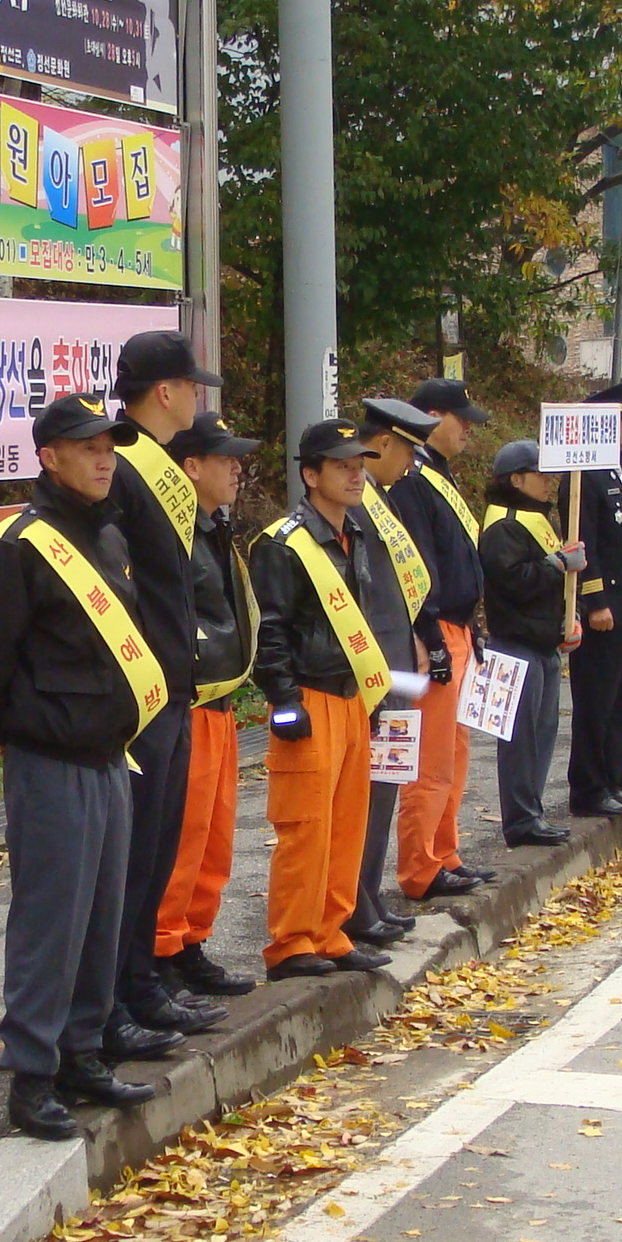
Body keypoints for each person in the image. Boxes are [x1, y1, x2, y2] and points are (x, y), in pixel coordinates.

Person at [0, 394, 180, 1142]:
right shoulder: (15, 547)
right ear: (49, 457)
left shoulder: (105, 536)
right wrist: (24, 726)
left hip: (110, 756)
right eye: (88, 448)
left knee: (102, 915)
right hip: (51, 760)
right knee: (51, 919)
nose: (105, 459)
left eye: (110, 447)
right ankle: (33, 1074)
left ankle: (82, 1052)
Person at [104, 331, 230, 1040]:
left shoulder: (154, 463)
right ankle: (118, 998)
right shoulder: (124, 466)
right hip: (143, 688)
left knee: (157, 847)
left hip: (174, 683)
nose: (197, 398)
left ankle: (142, 984)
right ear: (164, 391)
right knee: (133, 854)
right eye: (191, 386)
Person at [250, 421, 394, 981]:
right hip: (310, 694)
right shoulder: (284, 544)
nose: (356, 475)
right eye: (342, 466)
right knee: (305, 824)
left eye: (359, 465)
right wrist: (285, 702)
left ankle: (332, 932)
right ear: (310, 475)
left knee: (347, 823)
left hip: (350, 694)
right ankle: (291, 943)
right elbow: (271, 631)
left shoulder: (353, 533)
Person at [153, 412, 261, 1003]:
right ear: (190, 467)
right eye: (225, 459)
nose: (237, 470)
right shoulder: (172, 531)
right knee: (183, 836)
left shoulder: (215, 527)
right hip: (189, 703)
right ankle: (161, 953)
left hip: (221, 701)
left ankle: (192, 941)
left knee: (214, 838)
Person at [389, 379, 497, 902]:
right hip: (434, 629)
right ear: (433, 417)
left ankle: (443, 851)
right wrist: (428, 632)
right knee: (430, 757)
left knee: (454, 751)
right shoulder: (412, 481)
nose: (468, 431)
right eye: (462, 420)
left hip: (459, 627)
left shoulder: (437, 475)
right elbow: (417, 564)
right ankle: (420, 865)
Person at [348, 398, 443, 947]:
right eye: (407, 450)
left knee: (386, 783)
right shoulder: (359, 503)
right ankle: (357, 902)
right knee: (370, 788)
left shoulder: (380, 498)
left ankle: (369, 895)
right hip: (374, 668)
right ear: (383, 443)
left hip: (395, 660)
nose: (410, 463)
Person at [479, 440, 586, 847]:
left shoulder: (536, 518)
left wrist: (569, 616)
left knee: (542, 733)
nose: (548, 483)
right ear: (516, 479)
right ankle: (522, 819)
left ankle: (533, 811)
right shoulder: (504, 524)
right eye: (540, 475)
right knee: (521, 739)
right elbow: (513, 582)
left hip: (544, 641)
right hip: (516, 642)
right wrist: (556, 565)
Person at [566, 383, 622, 821]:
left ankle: (611, 781)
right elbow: (587, 543)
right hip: (606, 606)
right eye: (621, 420)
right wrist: (595, 600)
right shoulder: (585, 476)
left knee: (619, 701)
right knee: (597, 702)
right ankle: (590, 788)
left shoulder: (616, 470)